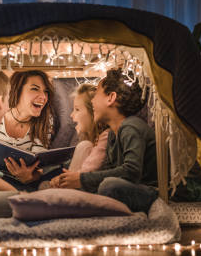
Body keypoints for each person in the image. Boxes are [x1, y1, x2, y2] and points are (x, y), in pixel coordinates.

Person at [56, 69, 158, 213]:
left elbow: (131, 172)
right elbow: (108, 170)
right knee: (103, 184)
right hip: (128, 188)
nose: (92, 101)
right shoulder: (112, 135)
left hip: (149, 191)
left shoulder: (131, 127)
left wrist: (82, 179)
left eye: (96, 94)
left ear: (111, 98)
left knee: (109, 186)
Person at [0, 70, 55, 190]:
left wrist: (29, 177)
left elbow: (38, 169)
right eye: (35, 89)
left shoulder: (45, 120)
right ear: (17, 90)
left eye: (46, 91)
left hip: (24, 185)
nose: (43, 97)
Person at [46, 84, 109, 188]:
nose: (71, 115)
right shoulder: (93, 140)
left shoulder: (105, 138)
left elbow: (81, 176)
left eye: (77, 109)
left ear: (93, 112)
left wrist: (62, 181)